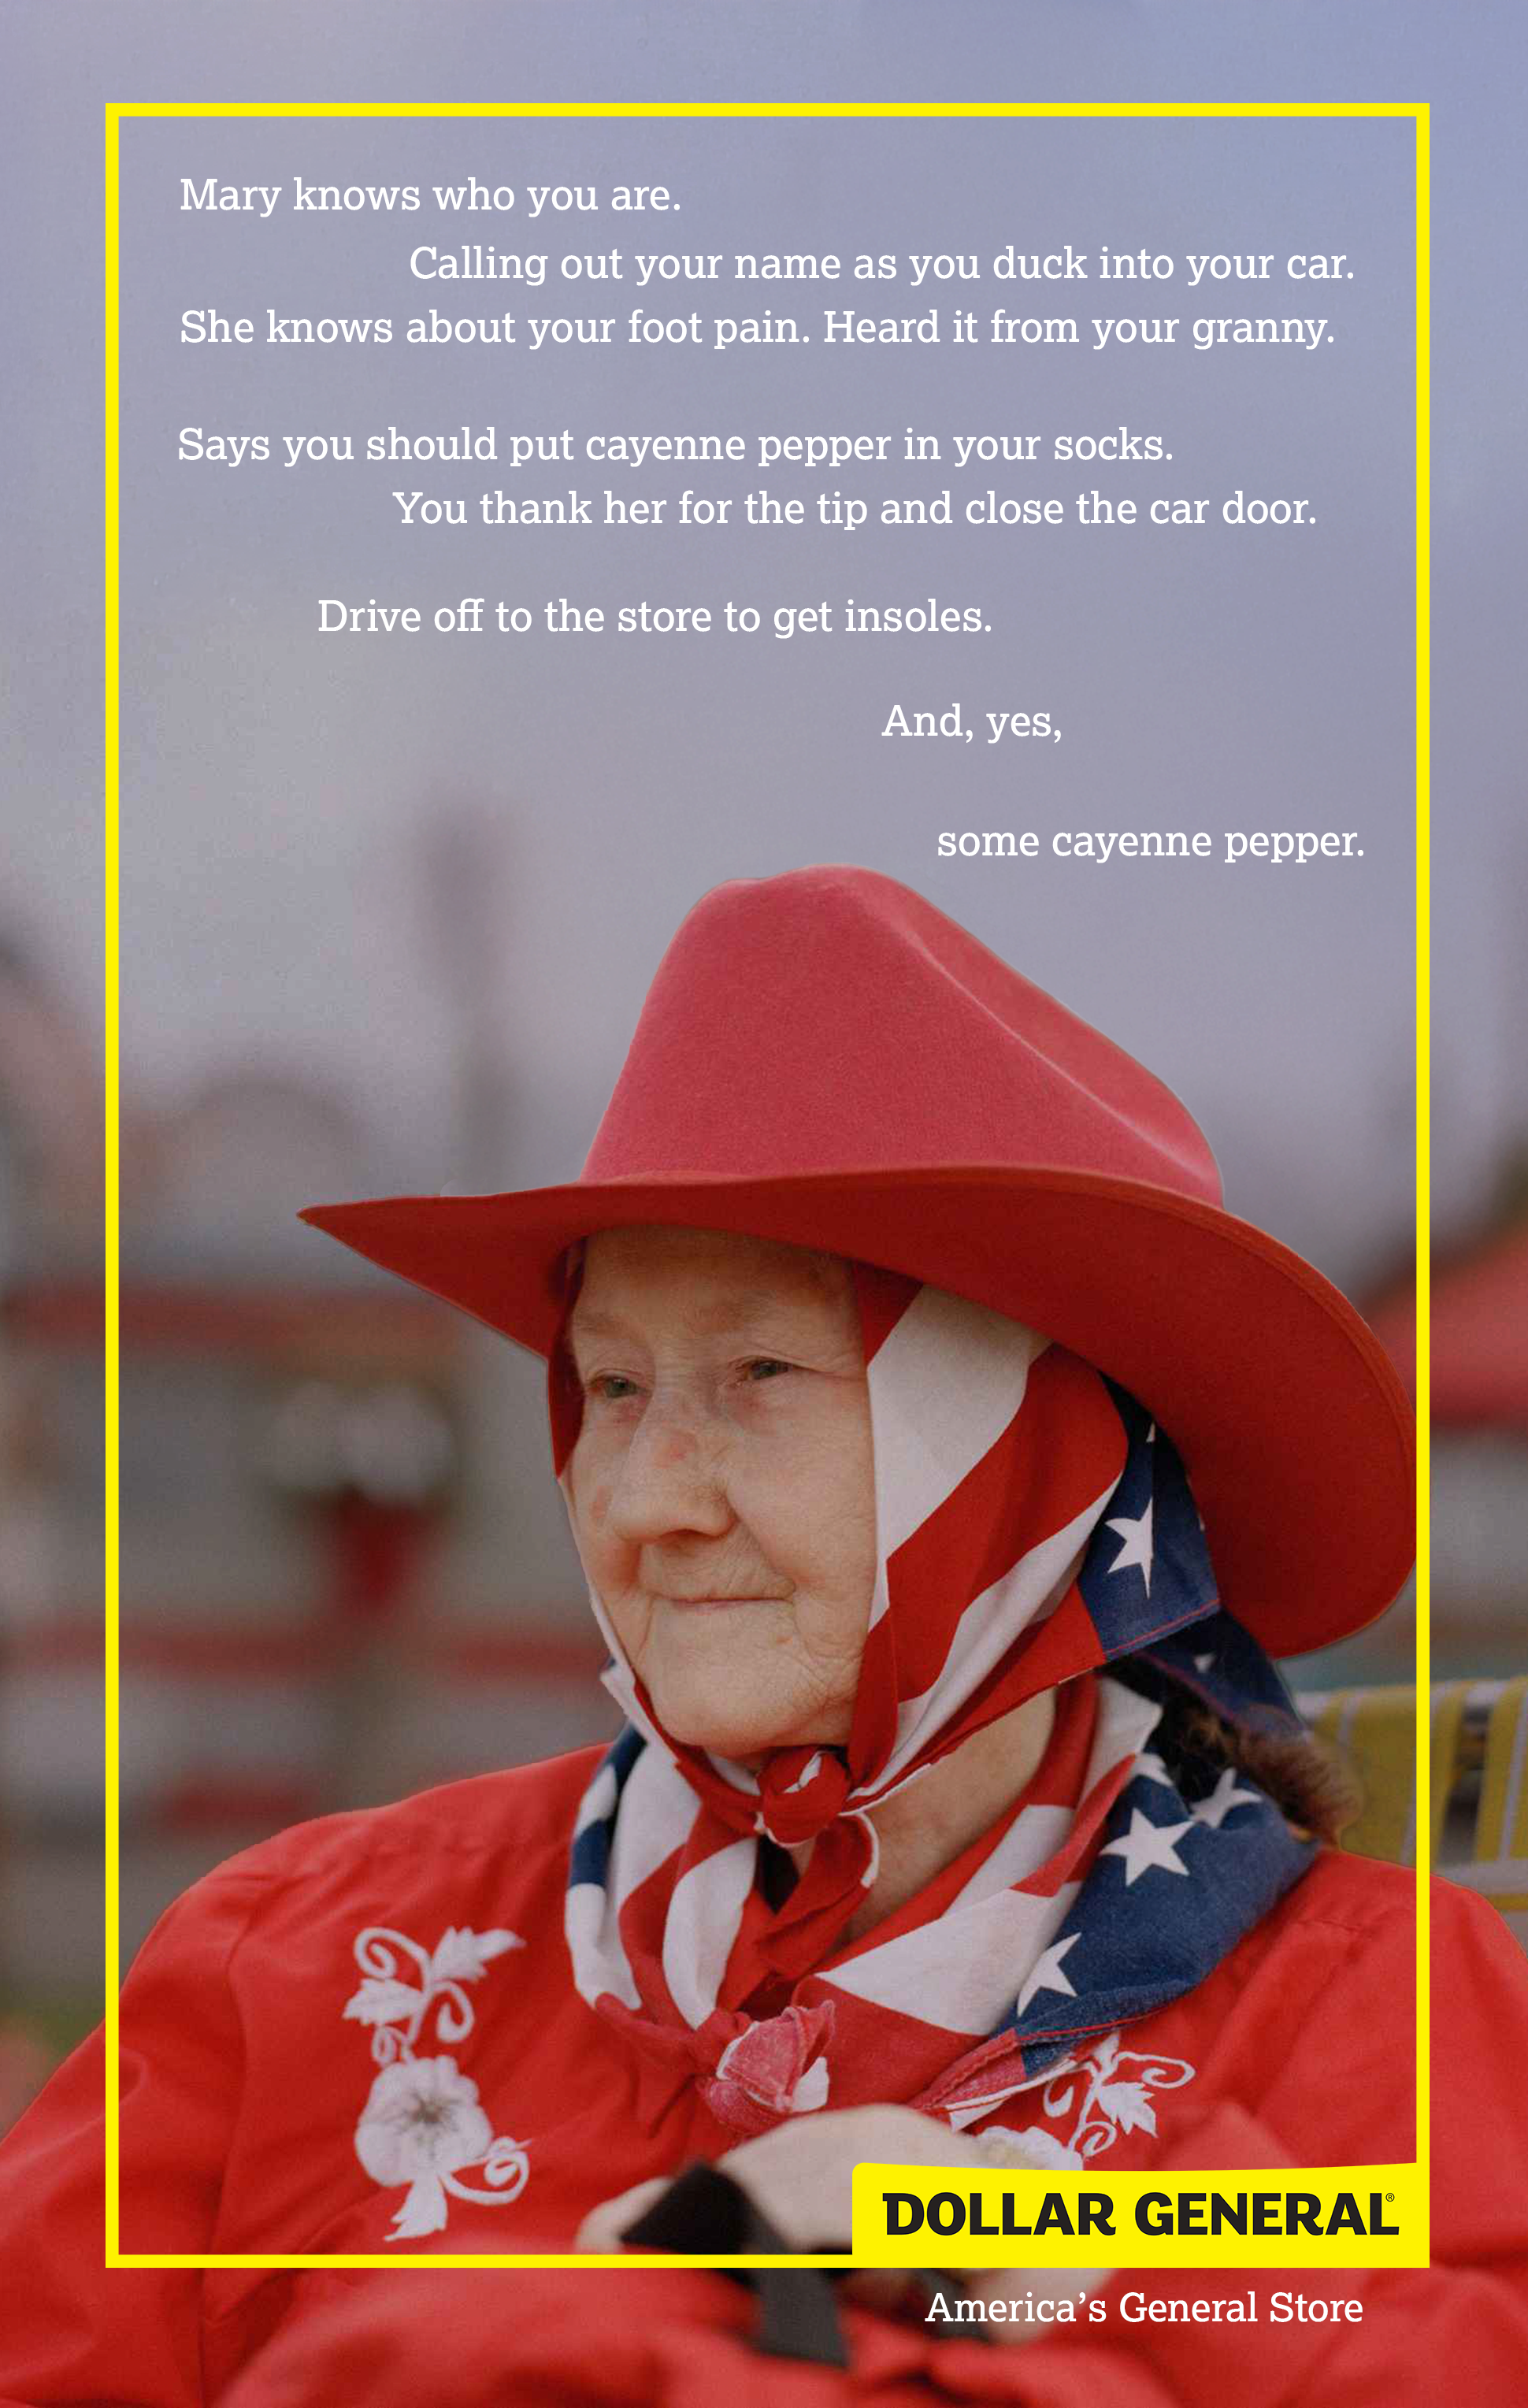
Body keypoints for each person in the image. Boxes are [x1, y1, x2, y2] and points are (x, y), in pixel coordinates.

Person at [2, 863, 1526, 2403]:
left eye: (762, 1375)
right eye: (611, 1387)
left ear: (1029, 1457)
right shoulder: (288, 1973)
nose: (643, 1499)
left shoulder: (1373, 2019)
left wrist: (1031, 2234)